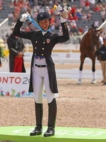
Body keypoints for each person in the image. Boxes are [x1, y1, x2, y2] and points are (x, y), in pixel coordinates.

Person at [13, 8, 69, 137]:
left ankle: (51, 128)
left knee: (50, 97)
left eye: (46, 22)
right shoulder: (34, 35)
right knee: (37, 97)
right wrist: (21, 20)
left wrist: (64, 20)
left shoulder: (53, 36)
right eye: (41, 22)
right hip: (36, 69)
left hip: (47, 69)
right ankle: (38, 127)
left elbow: (66, 37)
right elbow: (16, 32)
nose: (44, 24)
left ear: (49, 22)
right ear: (38, 23)